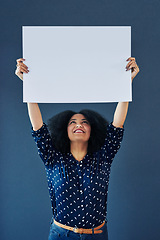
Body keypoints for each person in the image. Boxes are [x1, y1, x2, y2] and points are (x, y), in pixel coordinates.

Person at [15, 57, 139, 240]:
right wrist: (28, 84)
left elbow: (117, 125)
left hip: (97, 235)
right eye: (73, 122)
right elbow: (38, 128)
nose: (78, 125)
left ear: (92, 129)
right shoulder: (52, 158)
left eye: (84, 122)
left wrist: (126, 82)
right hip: (60, 235)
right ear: (64, 130)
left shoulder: (104, 156)